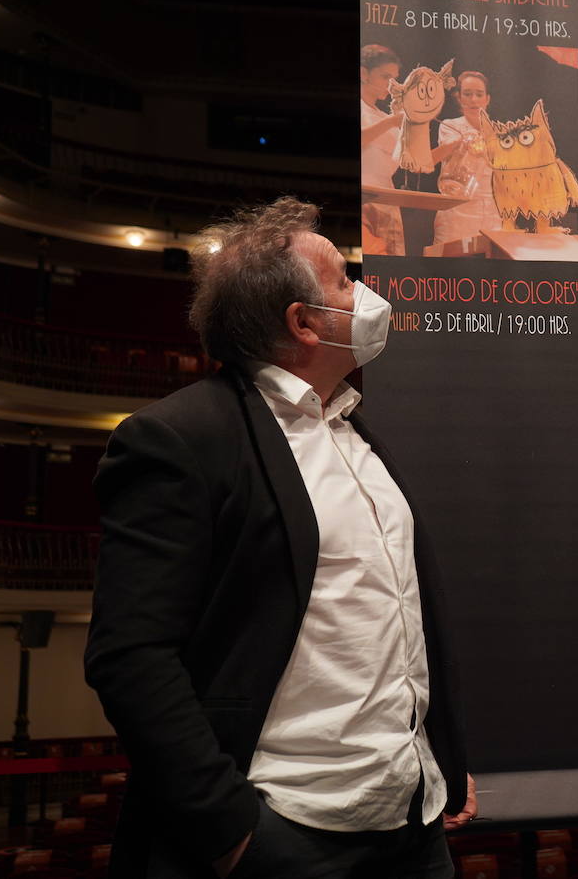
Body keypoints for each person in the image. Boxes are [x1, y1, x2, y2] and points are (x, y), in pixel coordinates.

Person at [84, 198, 476, 878]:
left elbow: (401, 624)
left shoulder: (358, 436)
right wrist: (231, 833)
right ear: (304, 323)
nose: (364, 294)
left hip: (413, 827)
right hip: (285, 833)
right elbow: (131, 656)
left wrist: (437, 757)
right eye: (344, 282)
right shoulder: (179, 439)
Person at [433, 70, 504, 246]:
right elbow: (434, 158)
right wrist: (463, 140)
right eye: (467, 94)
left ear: (487, 99)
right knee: (451, 265)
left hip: (492, 212)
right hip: (456, 209)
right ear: (459, 98)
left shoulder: (500, 132)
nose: (473, 100)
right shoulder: (450, 126)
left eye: (479, 94)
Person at [360, 44, 405, 256]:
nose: (390, 86)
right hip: (363, 200)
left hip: (387, 200)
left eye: (394, 79)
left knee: (390, 266)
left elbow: (409, 160)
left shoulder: (384, 116)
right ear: (363, 73)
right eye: (385, 77)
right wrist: (391, 122)